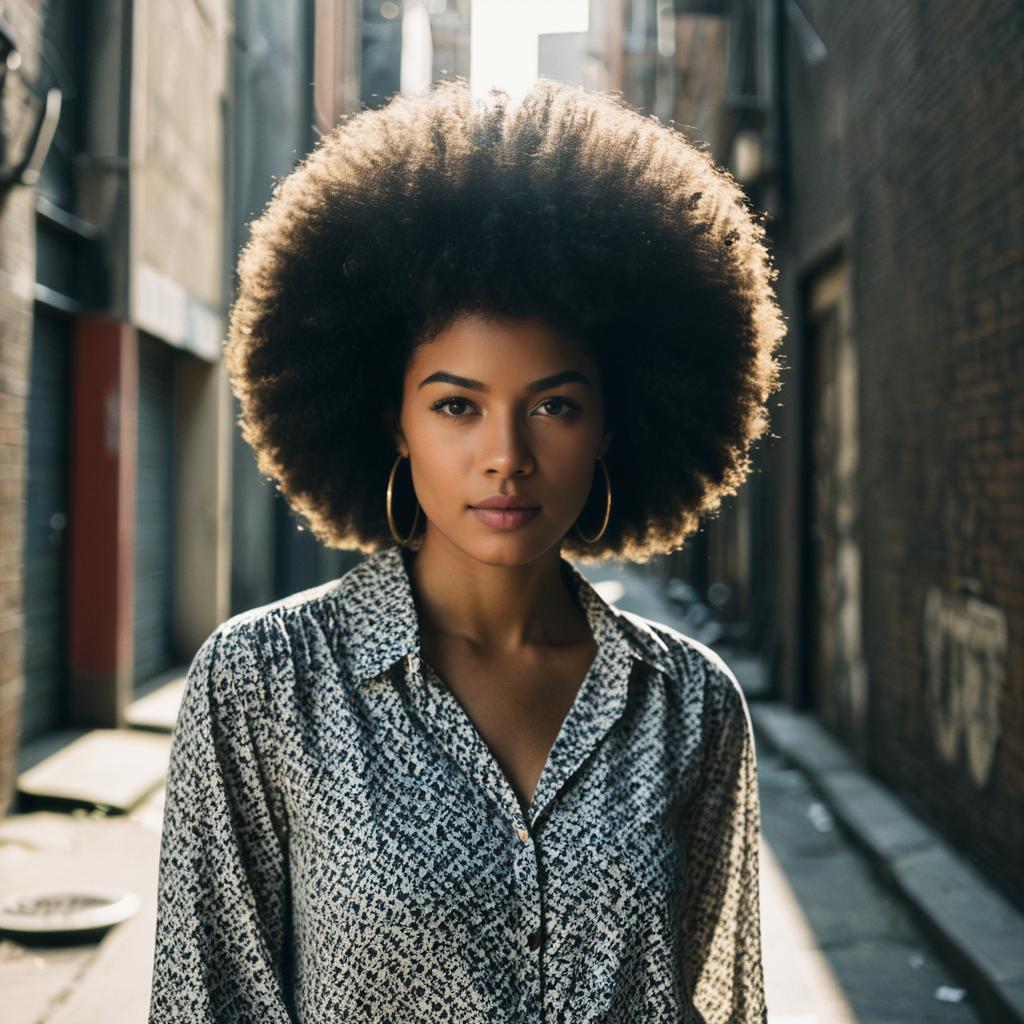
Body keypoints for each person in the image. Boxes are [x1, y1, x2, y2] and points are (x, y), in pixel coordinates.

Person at [148, 76, 785, 1023]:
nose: (507, 457)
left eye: (555, 406)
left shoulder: (689, 707)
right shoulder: (262, 686)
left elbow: (722, 1006)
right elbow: (207, 1003)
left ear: (614, 424)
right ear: (392, 420)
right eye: (456, 405)